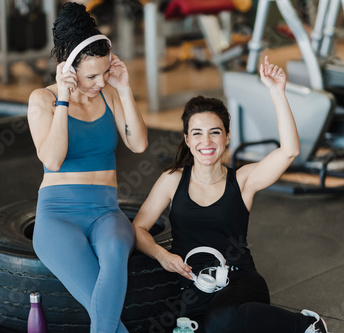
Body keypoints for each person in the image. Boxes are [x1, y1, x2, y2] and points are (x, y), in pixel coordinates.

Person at [132, 57, 329, 333]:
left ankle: (307, 325)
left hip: (241, 281)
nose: (206, 142)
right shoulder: (172, 180)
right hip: (194, 288)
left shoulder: (243, 180)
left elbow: (289, 151)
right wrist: (160, 254)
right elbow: (138, 228)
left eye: (215, 133)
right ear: (187, 140)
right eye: (197, 134)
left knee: (221, 320)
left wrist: (277, 91)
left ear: (226, 137)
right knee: (213, 325)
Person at [27, 3, 147, 333]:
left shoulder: (109, 93)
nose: (99, 81)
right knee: (106, 316)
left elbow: (138, 144)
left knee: (116, 246)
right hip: (58, 215)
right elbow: (51, 160)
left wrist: (123, 88)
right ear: (68, 68)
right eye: (91, 75)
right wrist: (64, 99)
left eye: (105, 72)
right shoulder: (43, 100)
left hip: (106, 211)